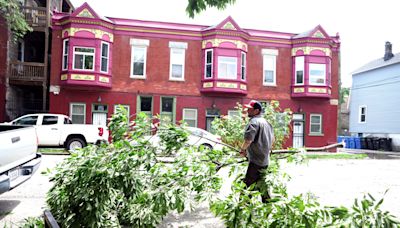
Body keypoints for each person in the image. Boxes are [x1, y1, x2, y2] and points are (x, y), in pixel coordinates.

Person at [240, 100, 274, 202]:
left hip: (256, 161)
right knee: (262, 185)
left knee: (247, 188)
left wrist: (242, 150)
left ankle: (241, 208)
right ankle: (268, 206)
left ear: (256, 111)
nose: (247, 110)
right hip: (265, 161)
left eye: (250, 109)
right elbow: (273, 139)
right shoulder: (267, 123)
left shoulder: (253, 122)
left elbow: (248, 140)